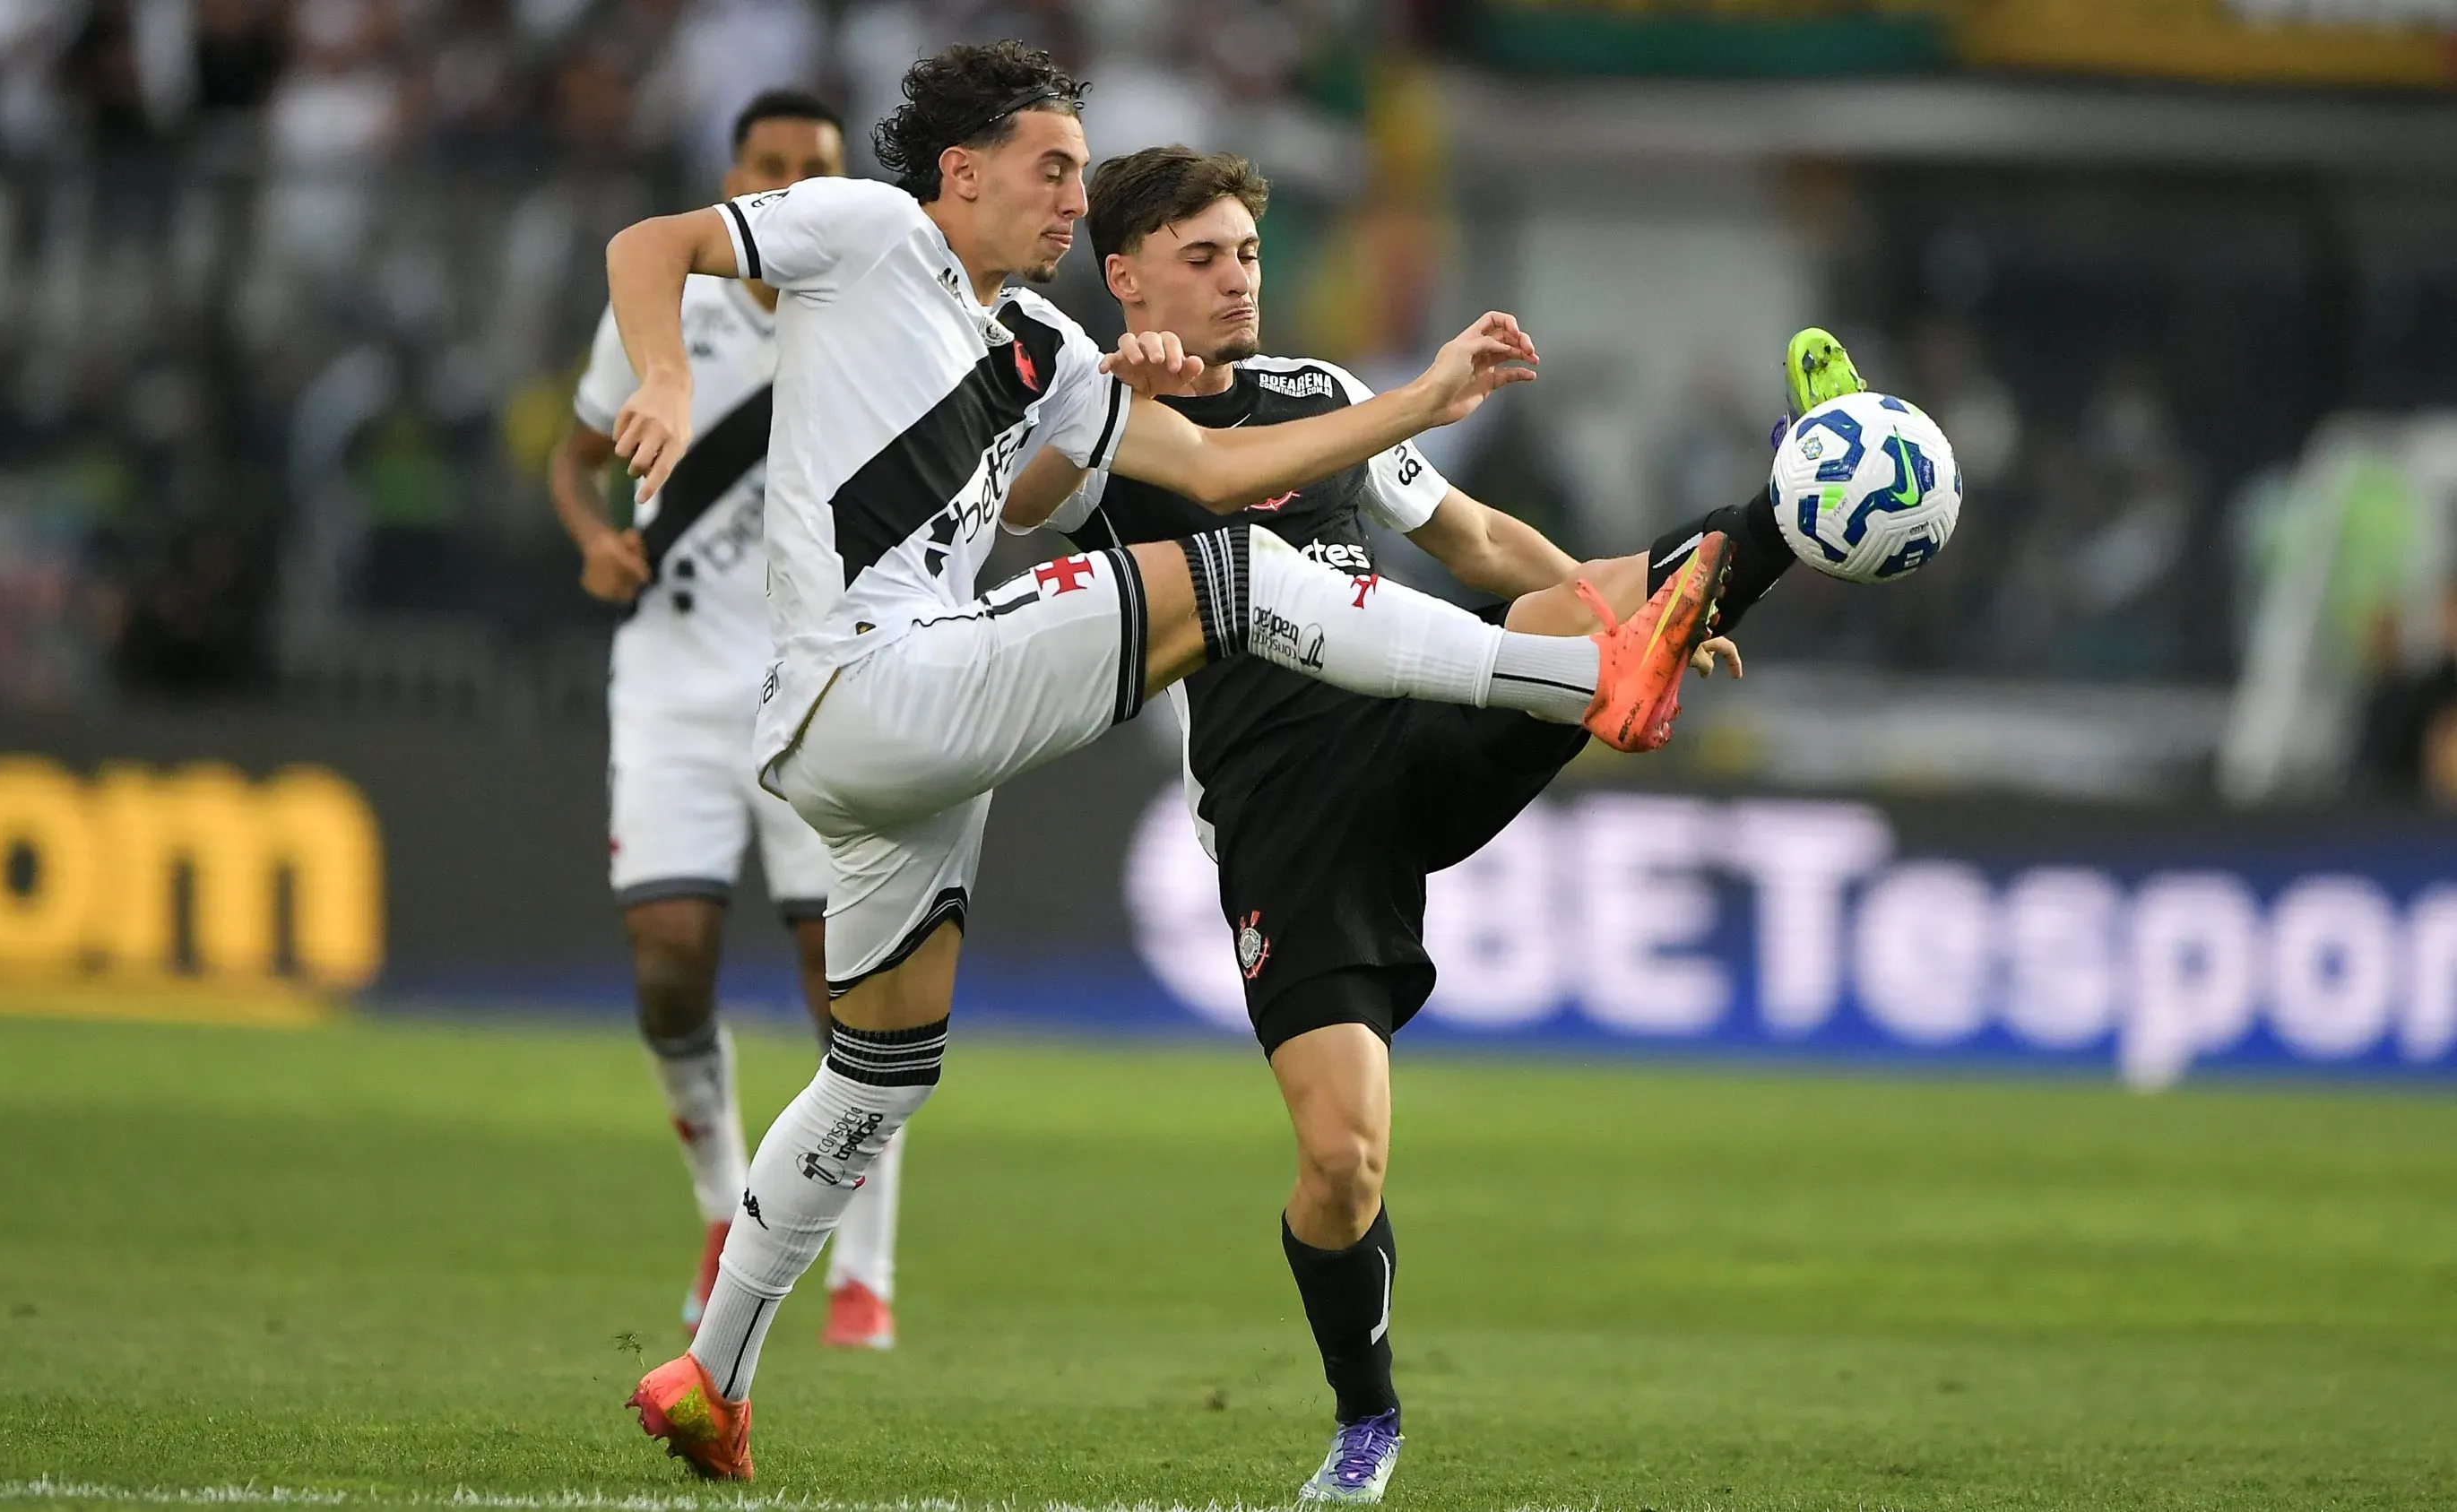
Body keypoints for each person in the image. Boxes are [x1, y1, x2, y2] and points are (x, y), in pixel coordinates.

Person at [601, 41, 1734, 1480]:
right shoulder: (873, 230)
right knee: (1233, 580)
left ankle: (712, 1377)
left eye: (1083, 173)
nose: (1074, 199)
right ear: (962, 172)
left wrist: (1418, 400)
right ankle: (1590, 681)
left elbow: (1212, 468)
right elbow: (652, 243)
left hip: (897, 743)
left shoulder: (1043, 351)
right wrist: (661, 375)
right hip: (868, 680)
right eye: (1052, 169)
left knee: (879, 1069)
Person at [1001, 145, 1849, 1503]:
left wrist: (1639, 620)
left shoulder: (1319, 394)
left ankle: (1801, 502)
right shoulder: (1104, 419)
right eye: (1203, 258)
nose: (1238, 280)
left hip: (1421, 709)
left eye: (1248, 254)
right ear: (1127, 276)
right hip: (1290, 814)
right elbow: (1015, 504)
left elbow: (1474, 541)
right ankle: (1368, 1417)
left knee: (1567, 610)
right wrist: (1108, 393)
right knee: (1342, 1165)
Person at [547, 89, 903, 1355]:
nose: (789, 181)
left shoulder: (871, 313)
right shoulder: (665, 306)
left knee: (848, 987)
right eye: (769, 162)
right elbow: (575, 460)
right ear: (733, 174)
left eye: (815, 165)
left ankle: (863, 1263)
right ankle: (718, 1205)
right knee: (668, 965)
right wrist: (594, 540)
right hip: (673, 683)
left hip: (819, 685)